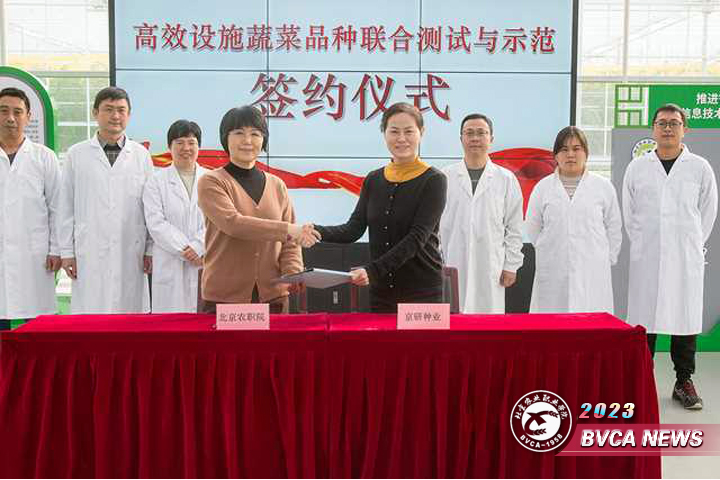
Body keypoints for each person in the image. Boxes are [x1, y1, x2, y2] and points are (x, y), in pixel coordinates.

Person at [622, 104, 718, 409]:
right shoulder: (637, 168)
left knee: (684, 318)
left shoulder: (699, 167)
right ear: (653, 129)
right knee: (644, 320)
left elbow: (708, 211)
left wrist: (690, 242)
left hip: (684, 256)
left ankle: (683, 381)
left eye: (674, 123)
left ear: (684, 129)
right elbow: (629, 212)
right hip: (647, 256)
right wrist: (644, 242)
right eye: (662, 123)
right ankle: (640, 381)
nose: (667, 128)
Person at [311, 102, 448, 313]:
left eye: (409, 131)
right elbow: (353, 229)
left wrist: (373, 270)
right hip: (382, 291)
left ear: (421, 132)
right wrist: (314, 231)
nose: (401, 138)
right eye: (394, 131)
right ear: (384, 133)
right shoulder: (373, 179)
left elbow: (417, 238)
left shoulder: (434, 180)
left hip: (422, 291)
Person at [197, 106, 315, 314]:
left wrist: (293, 272)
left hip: (273, 297)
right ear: (225, 138)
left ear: (264, 140)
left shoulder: (277, 185)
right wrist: (289, 230)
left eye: (255, 134)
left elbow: (290, 243)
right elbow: (233, 224)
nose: (247, 140)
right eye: (239, 133)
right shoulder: (211, 181)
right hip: (225, 298)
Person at [59, 87, 154, 314]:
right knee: (91, 317)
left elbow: (151, 207)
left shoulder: (141, 155)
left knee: (130, 319)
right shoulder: (76, 154)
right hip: (89, 249)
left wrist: (150, 249)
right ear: (95, 113)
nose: (115, 116)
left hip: (131, 249)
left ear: (129, 115)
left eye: (121, 110)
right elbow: (65, 206)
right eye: (108, 109)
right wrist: (67, 252)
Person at [525, 126, 622, 314]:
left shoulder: (603, 187)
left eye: (576, 149)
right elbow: (533, 227)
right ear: (556, 155)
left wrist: (605, 258)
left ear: (586, 153)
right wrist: (550, 249)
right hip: (553, 266)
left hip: (592, 268)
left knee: (591, 321)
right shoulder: (543, 188)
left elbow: (614, 227)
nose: (570, 154)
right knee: (552, 321)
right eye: (564, 149)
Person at [440, 113, 524, 313]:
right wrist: (436, 262)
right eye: (469, 133)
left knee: (489, 322)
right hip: (453, 262)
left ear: (491, 138)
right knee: (455, 319)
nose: (475, 138)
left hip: (491, 265)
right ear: (461, 138)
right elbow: (434, 226)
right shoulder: (445, 177)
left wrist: (511, 265)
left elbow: (514, 227)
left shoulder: (506, 179)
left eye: (481, 133)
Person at [0, 87, 61, 329]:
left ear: (28, 116)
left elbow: (57, 207)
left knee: (38, 328)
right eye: (3, 111)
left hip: (35, 256)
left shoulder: (44, 157)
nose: (10, 118)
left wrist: (56, 249)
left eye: (17, 112)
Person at [143, 120, 208, 313]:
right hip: (169, 259)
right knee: (169, 322)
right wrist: (186, 250)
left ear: (199, 146)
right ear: (169, 146)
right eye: (179, 142)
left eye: (191, 142)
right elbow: (156, 223)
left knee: (203, 320)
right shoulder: (156, 181)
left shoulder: (212, 180)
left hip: (203, 259)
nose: (186, 148)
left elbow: (217, 220)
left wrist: (199, 246)